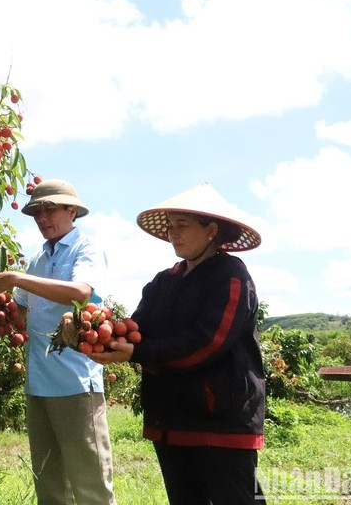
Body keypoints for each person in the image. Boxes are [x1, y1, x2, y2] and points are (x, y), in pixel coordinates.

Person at [88, 182, 266, 505]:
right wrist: (101, 332)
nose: (173, 233)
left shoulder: (232, 276)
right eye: (170, 226)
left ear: (211, 230)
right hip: (171, 420)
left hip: (220, 423)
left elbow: (207, 343)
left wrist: (138, 352)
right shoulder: (163, 282)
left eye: (182, 225)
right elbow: (138, 328)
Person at [0, 179, 116, 505]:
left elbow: (81, 293)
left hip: (74, 384)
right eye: (37, 213)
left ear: (72, 210)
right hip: (38, 383)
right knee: (49, 484)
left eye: (50, 210)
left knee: (91, 485)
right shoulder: (38, 261)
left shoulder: (86, 249)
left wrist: (14, 278)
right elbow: (21, 316)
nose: (43, 219)